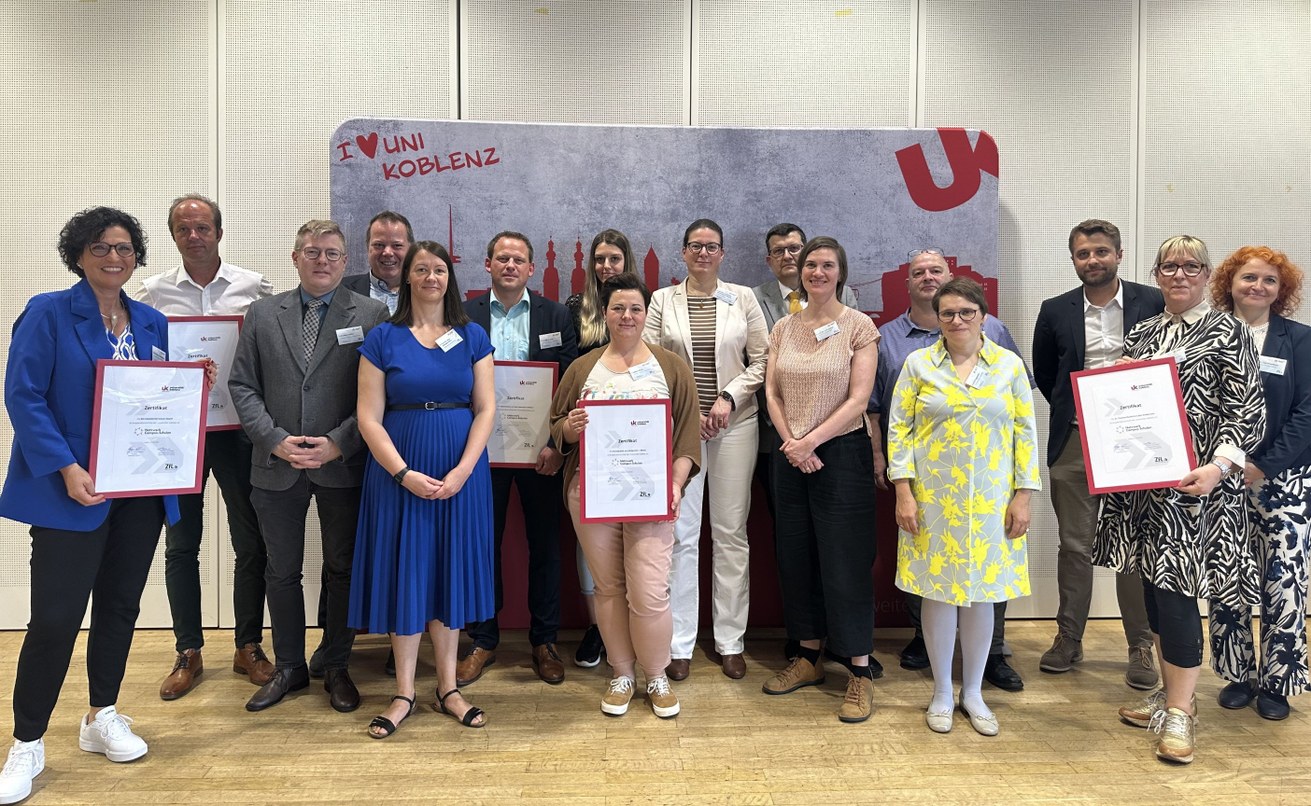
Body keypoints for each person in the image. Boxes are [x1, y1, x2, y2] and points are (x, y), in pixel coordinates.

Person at [0, 207, 182, 804]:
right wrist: (67, 467)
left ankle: (100, 715)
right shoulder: (49, 312)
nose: (114, 257)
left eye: (126, 248)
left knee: (120, 608)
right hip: (70, 489)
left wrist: (188, 385)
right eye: (101, 247)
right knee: (55, 617)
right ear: (78, 253)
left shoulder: (151, 320)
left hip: (139, 492)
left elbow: (159, 395)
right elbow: (23, 396)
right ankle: (27, 741)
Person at [1096, 235, 1265, 765]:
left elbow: (1248, 411)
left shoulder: (1228, 331)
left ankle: (1182, 711)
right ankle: (1170, 693)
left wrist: (1220, 466)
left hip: (1195, 491)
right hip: (1142, 491)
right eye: (1169, 266)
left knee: (1176, 595)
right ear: (1157, 272)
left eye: (1192, 266)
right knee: (1151, 592)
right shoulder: (1144, 331)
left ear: (1206, 274)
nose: (1180, 274)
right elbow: (1122, 400)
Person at [229, 219, 390, 714]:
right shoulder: (260, 314)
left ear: (346, 262)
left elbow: (379, 391)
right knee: (282, 571)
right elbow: (242, 387)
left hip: (341, 465)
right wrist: (276, 441)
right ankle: (289, 666)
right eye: (312, 252)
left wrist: (339, 443)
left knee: (342, 569)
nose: (322, 261)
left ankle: (337, 665)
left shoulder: (372, 313)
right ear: (295, 257)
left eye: (333, 254)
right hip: (276, 464)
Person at [132, 194, 277, 700]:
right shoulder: (150, 293)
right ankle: (188, 651)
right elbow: (140, 364)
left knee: (250, 541)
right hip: (177, 433)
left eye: (203, 227)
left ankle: (247, 646)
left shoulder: (253, 288)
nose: (194, 236)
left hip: (239, 431)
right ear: (173, 236)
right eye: (183, 229)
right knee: (181, 545)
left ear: (219, 231)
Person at [348, 240, 496, 735]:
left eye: (439, 269)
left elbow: (487, 409)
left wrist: (463, 471)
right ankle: (404, 692)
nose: (431, 276)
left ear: (450, 277)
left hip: (461, 471)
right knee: (406, 573)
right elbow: (368, 417)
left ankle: (449, 687)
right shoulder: (383, 338)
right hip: (398, 472)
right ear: (407, 277)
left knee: (448, 573)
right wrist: (402, 473)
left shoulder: (473, 336)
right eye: (421, 269)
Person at [868, 247, 1028, 690]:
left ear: (982, 315)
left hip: (992, 498)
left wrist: (1024, 494)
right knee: (935, 590)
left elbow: (1025, 434)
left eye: (966, 312)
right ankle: (941, 689)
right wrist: (903, 490)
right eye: (948, 314)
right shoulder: (917, 364)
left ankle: (978, 683)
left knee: (984, 592)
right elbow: (896, 427)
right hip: (931, 497)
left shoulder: (1007, 363)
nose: (957, 320)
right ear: (937, 317)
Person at [549, 273, 700, 718]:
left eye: (635, 308)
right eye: (618, 308)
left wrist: (674, 484)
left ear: (646, 313)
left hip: (652, 496)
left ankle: (655, 675)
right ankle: (622, 673)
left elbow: (688, 437)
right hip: (592, 496)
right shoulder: (583, 368)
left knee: (650, 591)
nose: (627, 316)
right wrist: (568, 429)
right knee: (609, 587)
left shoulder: (671, 366)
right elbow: (556, 424)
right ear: (605, 313)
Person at [1031, 219, 1163, 688]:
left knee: (1134, 547)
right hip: (1074, 440)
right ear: (1073, 260)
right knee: (1074, 545)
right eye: (1084, 254)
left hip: (1137, 442)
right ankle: (1069, 638)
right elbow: (1047, 375)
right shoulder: (1054, 310)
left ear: (1119, 255)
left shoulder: (1153, 301)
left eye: (1102, 252)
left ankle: (1141, 646)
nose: (1093, 260)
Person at [760, 236, 881, 724]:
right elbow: (770, 391)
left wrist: (812, 442)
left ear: (840, 272)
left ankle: (857, 671)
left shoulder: (859, 326)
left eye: (827, 265)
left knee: (846, 561)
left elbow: (859, 398)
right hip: (790, 456)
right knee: (795, 557)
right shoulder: (784, 328)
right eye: (810, 264)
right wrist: (794, 442)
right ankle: (807, 658)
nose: (816, 272)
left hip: (842, 453)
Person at [644, 219, 768, 681]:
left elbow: (762, 360)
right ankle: (679, 643)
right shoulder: (661, 300)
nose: (702, 253)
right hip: (681, 429)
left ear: (722, 253)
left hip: (735, 425)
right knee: (681, 535)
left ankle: (730, 639)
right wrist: (691, 410)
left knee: (731, 534)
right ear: (683, 252)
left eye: (711, 246)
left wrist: (728, 398)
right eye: (695, 246)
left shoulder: (745, 298)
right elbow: (651, 360)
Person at [456, 231, 578, 687]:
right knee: (482, 545)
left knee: (545, 546)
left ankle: (544, 641)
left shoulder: (556, 314)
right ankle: (484, 639)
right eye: (502, 258)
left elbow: (566, 383)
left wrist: (554, 443)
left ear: (530, 269)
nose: (510, 265)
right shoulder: (464, 315)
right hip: (479, 452)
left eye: (519, 260)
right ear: (487, 264)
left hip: (540, 453)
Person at [1207, 246, 1311, 721]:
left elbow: (1307, 412)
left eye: (1269, 280)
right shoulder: (1210, 335)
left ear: (1281, 290)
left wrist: (1263, 464)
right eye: (1248, 278)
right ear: (1229, 283)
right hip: (1222, 477)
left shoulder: (1300, 340)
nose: (1258, 287)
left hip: (1285, 479)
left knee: (1283, 579)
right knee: (1230, 577)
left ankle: (1278, 681)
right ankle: (1237, 675)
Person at [563, 228, 637, 667]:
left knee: (636, 530)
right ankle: (597, 627)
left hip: (634, 438)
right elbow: (569, 373)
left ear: (627, 261)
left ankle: (631, 623)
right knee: (590, 536)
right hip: (588, 440)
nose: (606, 266)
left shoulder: (644, 304)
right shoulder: (577, 308)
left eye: (614, 258)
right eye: (600, 259)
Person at [342, 211, 413, 314]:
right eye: (379, 245)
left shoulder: (427, 291)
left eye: (397, 245)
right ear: (368, 247)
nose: (387, 252)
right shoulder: (341, 291)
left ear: (410, 250)